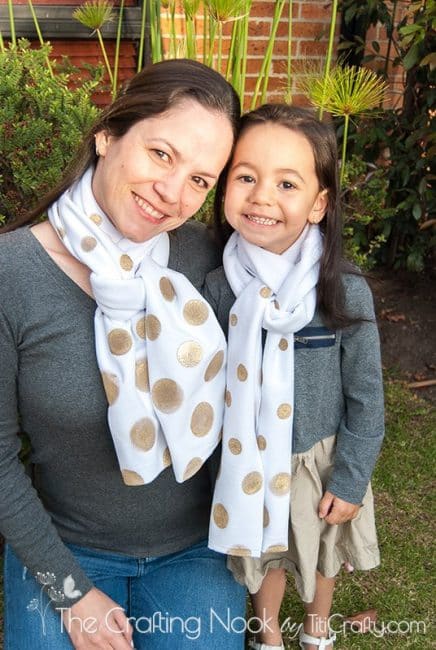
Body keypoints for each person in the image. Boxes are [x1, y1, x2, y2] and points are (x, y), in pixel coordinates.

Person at [0, 58, 247, 650]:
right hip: (64, 550)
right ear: (108, 134)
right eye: (162, 154)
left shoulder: (209, 258)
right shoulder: (12, 273)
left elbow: (305, 284)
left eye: (200, 179)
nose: (172, 193)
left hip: (195, 549)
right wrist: (71, 593)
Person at [206, 104, 385, 650]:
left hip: (319, 459)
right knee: (269, 554)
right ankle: (268, 636)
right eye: (246, 177)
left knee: (320, 549)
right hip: (250, 456)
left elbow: (366, 398)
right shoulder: (218, 287)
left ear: (318, 204)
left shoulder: (343, 293)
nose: (262, 196)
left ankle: (317, 630)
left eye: (287, 183)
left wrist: (351, 478)